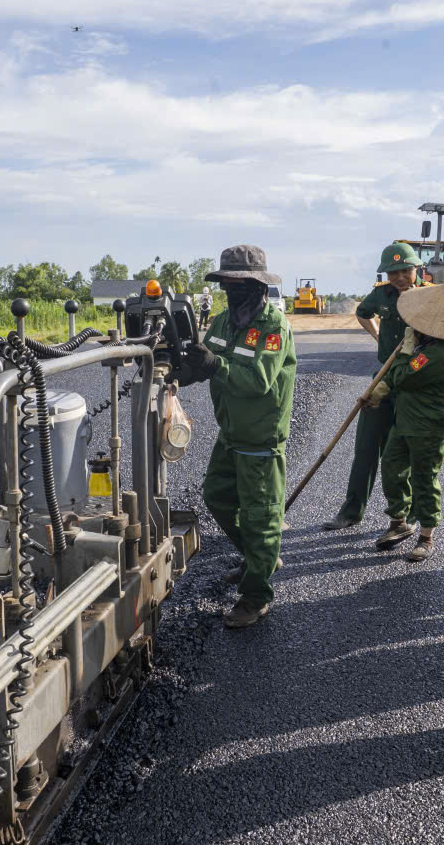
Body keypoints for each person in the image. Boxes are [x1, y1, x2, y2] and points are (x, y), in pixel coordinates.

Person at [179, 245, 297, 629]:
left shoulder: (273, 328)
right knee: (217, 496)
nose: (232, 291)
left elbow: (259, 380)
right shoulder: (223, 322)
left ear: (259, 286)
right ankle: (259, 557)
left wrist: (215, 365)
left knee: (261, 518)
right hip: (230, 433)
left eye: (240, 285)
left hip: (260, 438)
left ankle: (256, 596)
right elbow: (204, 360)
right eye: (227, 285)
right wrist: (180, 373)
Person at [366, 284, 444, 559]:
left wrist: (405, 350)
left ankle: (426, 536)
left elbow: (402, 375)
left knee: (424, 476)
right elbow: (397, 374)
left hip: (430, 422)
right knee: (392, 465)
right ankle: (399, 521)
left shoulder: (438, 351)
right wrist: (381, 387)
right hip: (407, 415)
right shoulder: (423, 341)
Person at [322, 241, 420, 532]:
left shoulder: (430, 294)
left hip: (414, 384)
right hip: (383, 379)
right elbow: (363, 312)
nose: (399, 277)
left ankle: (411, 515)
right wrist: (378, 337)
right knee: (366, 446)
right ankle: (352, 511)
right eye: (393, 272)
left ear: (417, 268)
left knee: (410, 451)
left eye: (405, 270)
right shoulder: (380, 295)